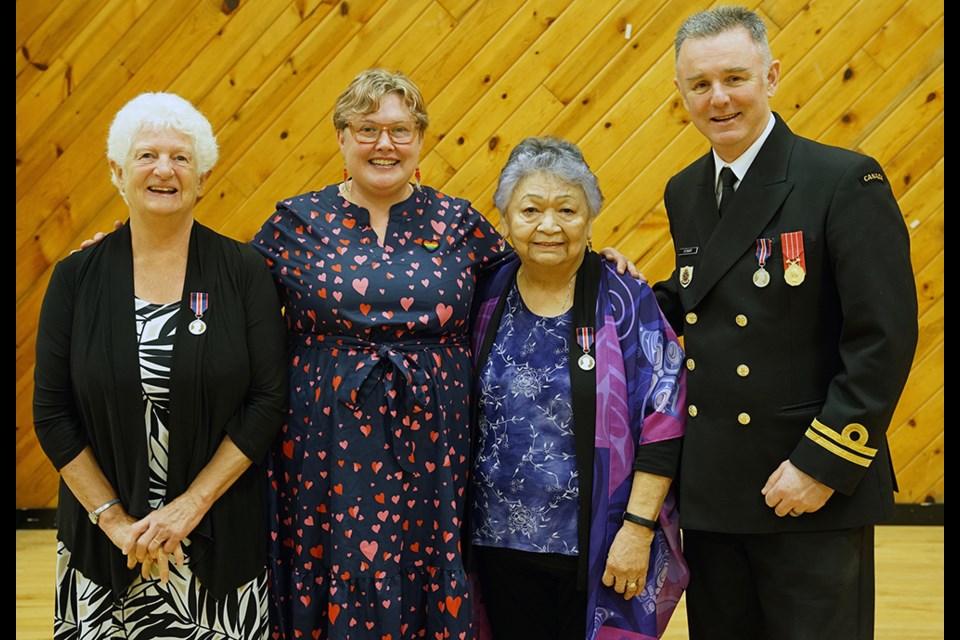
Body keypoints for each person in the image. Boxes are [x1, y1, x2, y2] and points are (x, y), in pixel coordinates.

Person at [249, 69, 639, 639]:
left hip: (435, 443)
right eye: (367, 129)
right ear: (341, 138)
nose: (385, 144)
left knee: (427, 561)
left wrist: (603, 261)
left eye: (400, 130)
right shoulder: (295, 223)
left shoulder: (456, 222)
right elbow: (228, 289)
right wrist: (137, 249)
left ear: (420, 139)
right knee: (340, 565)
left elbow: (535, 262)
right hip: (324, 442)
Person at [652, 6, 920, 639]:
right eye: (700, 84)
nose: (718, 98)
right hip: (717, 491)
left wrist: (822, 465)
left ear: (771, 76)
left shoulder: (841, 179)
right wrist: (609, 287)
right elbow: (704, 295)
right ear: (681, 92)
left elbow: (881, 339)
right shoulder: (684, 189)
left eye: (735, 78)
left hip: (805, 488)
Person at [33, 92, 288, 637]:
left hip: (217, 538)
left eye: (181, 157)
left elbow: (267, 400)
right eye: (147, 155)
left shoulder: (244, 271)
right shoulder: (76, 278)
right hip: (105, 551)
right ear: (117, 172)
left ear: (204, 175)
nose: (164, 170)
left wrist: (189, 507)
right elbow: (52, 414)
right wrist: (117, 523)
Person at [468, 136, 688, 640]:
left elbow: (665, 415)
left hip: (598, 540)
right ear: (504, 220)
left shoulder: (624, 299)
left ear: (589, 218)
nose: (549, 225)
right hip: (493, 539)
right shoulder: (482, 293)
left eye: (567, 209)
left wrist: (638, 528)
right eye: (531, 209)